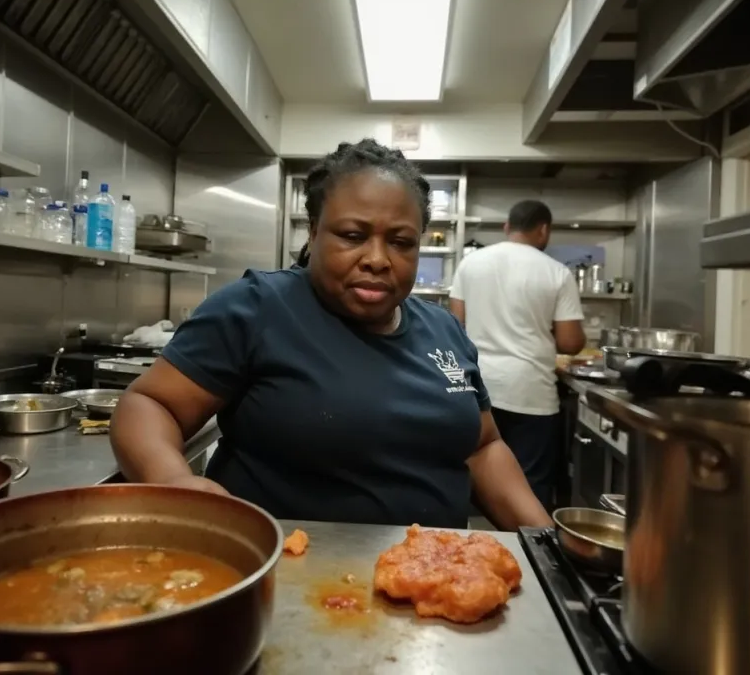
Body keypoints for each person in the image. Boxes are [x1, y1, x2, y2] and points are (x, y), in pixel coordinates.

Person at [110, 139, 551, 531]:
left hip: (432, 588)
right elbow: (149, 404)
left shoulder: (444, 330)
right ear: (315, 231)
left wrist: (549, 545)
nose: (378, 258)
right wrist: (174, 481)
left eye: (401, 241)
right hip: (292, 582)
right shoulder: (259, 307)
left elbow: (483, 448)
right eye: (353, 235)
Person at [448, 200, 585, 509]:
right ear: (544, 230)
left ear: (507, 228)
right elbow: (570, 342)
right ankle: (530, 552)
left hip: (478, 388)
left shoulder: (471, 263)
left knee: (474, 471)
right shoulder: (557, 272)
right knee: (529, 485)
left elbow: (455, 325)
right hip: (530, 392)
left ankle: (470, 547)